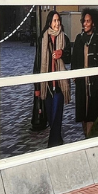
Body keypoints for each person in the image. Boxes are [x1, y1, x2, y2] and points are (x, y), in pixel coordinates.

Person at [33, 10, 71, 147]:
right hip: (46, 85)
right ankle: (58, 139)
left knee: (57, 115)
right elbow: (37, 64)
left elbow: (69, 58)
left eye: (58, 20)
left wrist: (62, 54)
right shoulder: (42, 39)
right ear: (49, 22)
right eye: (54, 21)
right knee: (51, 116)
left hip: (60, 85)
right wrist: (37, 87)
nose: (57, 23)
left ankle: (52, 145)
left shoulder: (64, 38)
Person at [71, 9, 98, 137]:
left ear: (93, 23)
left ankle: (90, 136)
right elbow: (74, 59)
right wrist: (75, 76)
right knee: (83, 111)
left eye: (88, 21)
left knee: (92, 110)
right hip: (81, 81)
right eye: (84, 21)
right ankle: (86, 133)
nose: (85, 24)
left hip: (93, 81)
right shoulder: (79, 39)